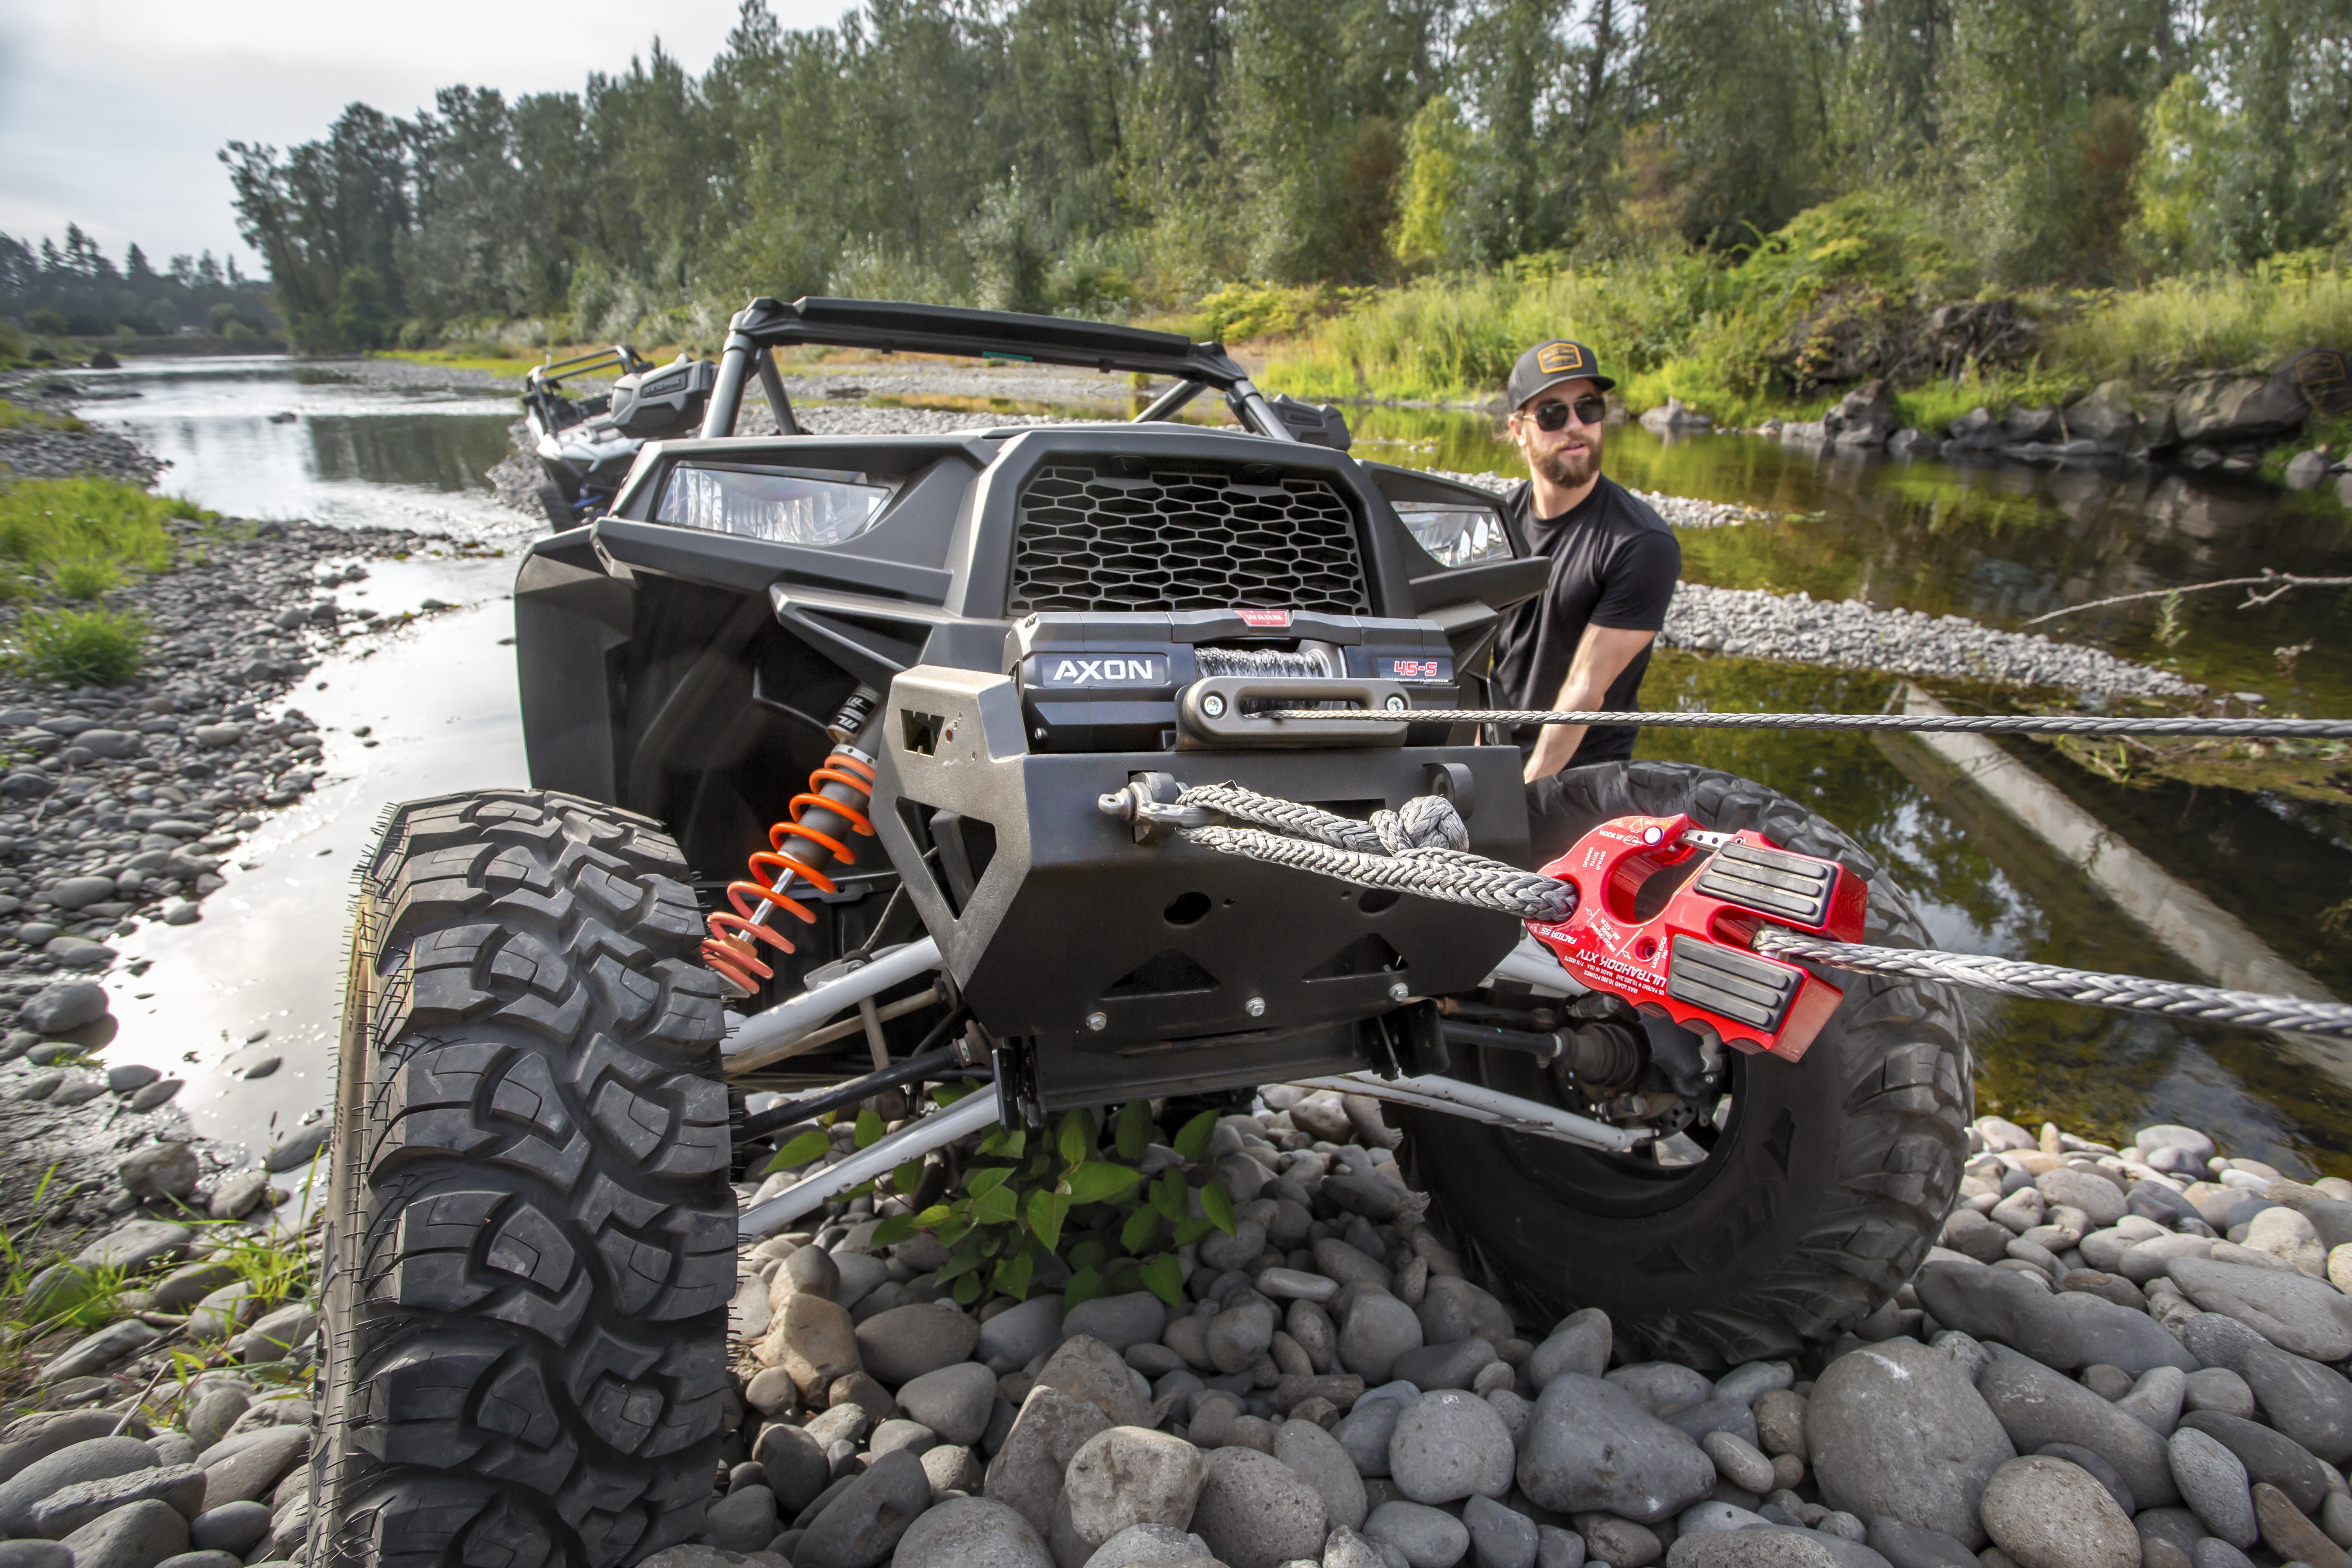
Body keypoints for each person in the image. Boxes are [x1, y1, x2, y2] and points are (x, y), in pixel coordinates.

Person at [1489, 338, 1681, 782]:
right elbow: (1476, 654)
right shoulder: (1499, 522)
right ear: (1519, 429)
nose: (1575, 426)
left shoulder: (1641, 542)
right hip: (1497, 755)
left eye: (1588, 409)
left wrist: (1526, 793)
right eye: (1553, 414)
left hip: (1582, 780)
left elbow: (1585, 689)